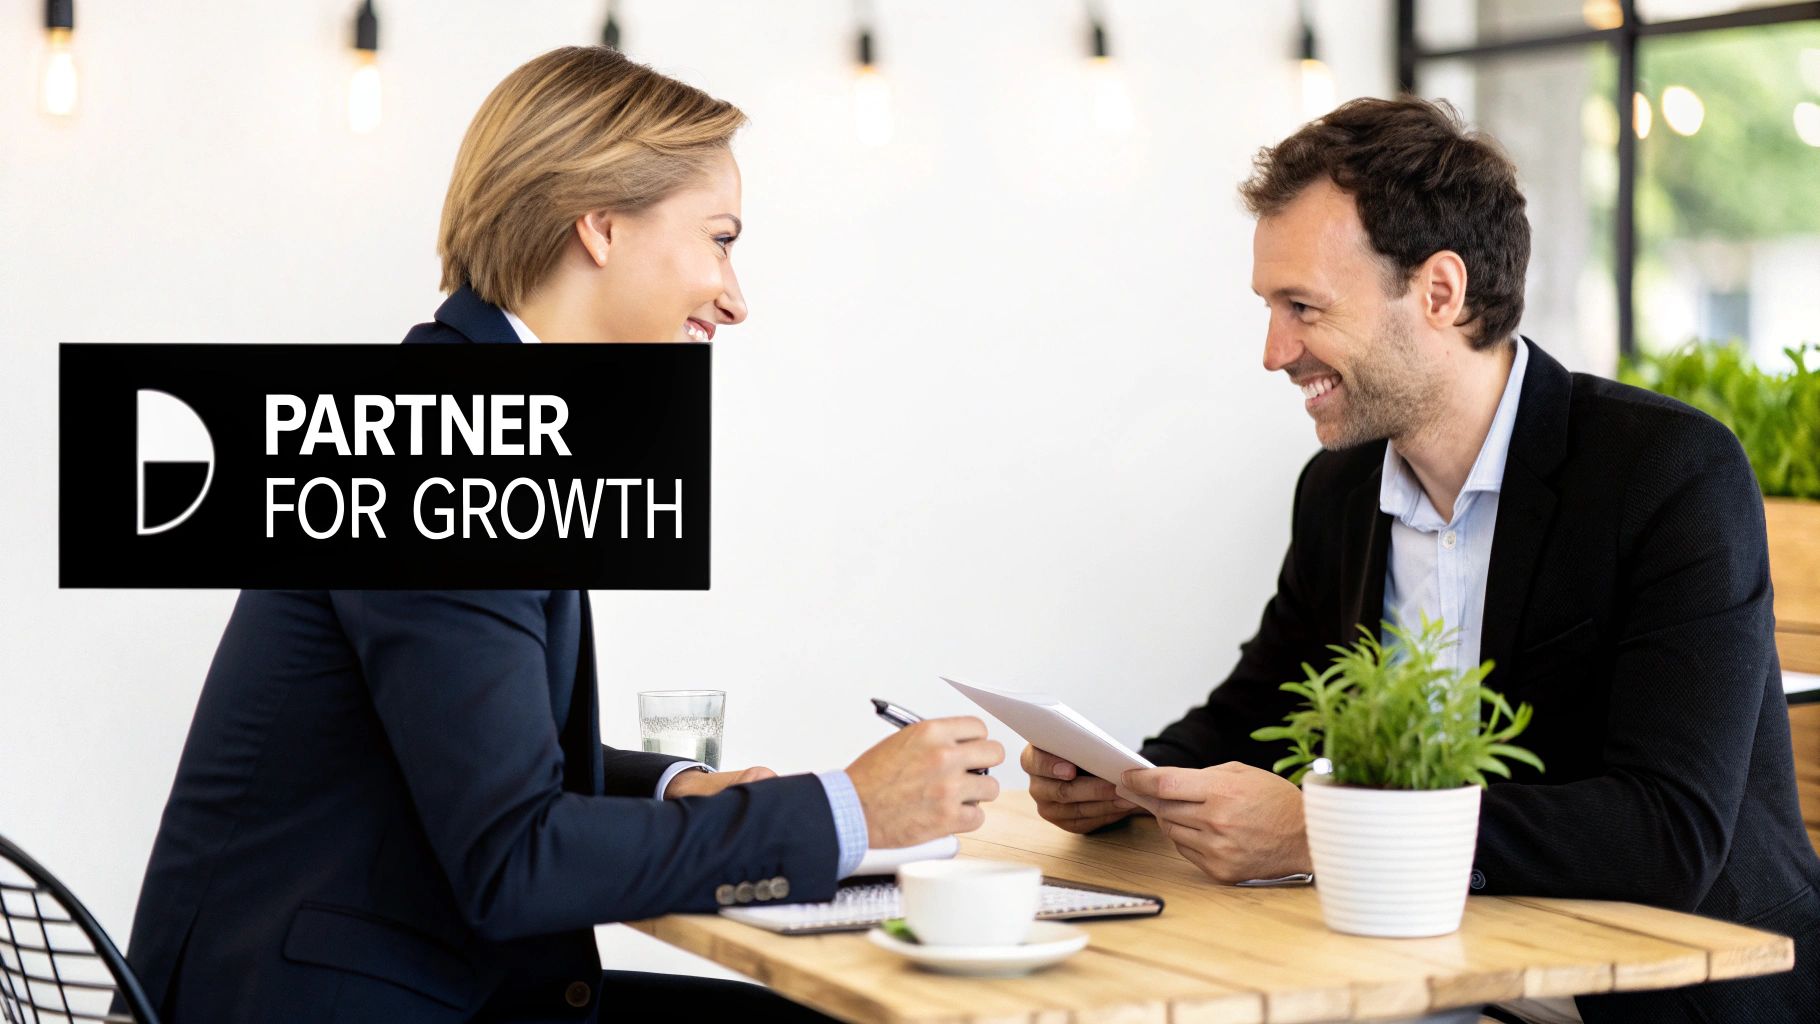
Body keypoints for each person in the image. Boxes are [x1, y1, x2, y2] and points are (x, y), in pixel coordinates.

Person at [123, 47, 1003, 1024]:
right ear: (601, 225)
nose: (734, 296)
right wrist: (847, 810)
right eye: (718, 240)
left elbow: (480, 758)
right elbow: (517, 859)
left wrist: (679, 787)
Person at [1022, 97, 1819, 1022]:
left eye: (1303, 307)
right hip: (1446, 981)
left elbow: (1666, 833)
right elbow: (1257, 709)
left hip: (1678, 997)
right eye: (1271, 309)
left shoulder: (1666, 474)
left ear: (1440, 293)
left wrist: (1322, 830)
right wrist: (1127, 783)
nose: (1275, 352)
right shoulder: (1341, 491)